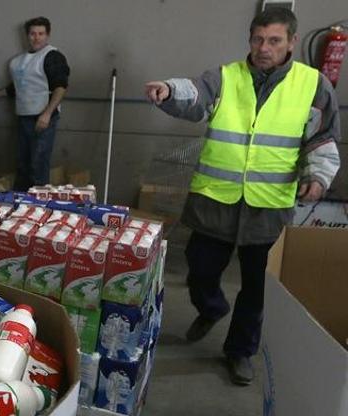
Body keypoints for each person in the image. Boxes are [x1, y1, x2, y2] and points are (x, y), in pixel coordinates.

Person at [144, 7, 341, 385]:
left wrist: (318, 176)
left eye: (274, 41)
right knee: (199, 270)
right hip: (214, 200)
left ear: (292, 42)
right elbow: (196, 94)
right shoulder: (224, 77)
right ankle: (212, 307)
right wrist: (169, 90)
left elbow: (322, 138)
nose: (264, 48)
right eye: (257, 40)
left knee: (257, 289)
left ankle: (239, 352)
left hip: (269, 207)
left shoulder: (314, 86)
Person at [0, 17, 70, 191]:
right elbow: (19, 86)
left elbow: (60, 87)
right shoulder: (19, 61)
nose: (37, 37)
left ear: (47, 35)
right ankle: (21, 201)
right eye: (33, 34)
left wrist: (48, 113)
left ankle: (38, 205)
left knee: (38, 161)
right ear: (27, 36)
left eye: (41, 33)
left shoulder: (53, 56)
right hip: (24, 117)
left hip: (43, 116)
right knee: (23, 161)